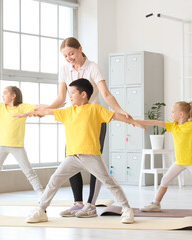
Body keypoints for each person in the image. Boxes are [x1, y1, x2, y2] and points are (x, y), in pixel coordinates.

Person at [15, 79, 145, 223]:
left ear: (83, 94)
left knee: (110, 183)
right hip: (72, 157)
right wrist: (28, 113)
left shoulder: (95, 109)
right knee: (54, 180)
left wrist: (134, 122)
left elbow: (115, 116)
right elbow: (48, 111)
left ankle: (127, 210)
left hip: (91, 156)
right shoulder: (68, 112)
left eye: (72, 93)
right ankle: (41, 210)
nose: (69, 96)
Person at [45, 37, 133, 218]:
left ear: (80, 49)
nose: (69, 58)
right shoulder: (64, 69)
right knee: (71, 157)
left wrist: (120, 111)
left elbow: (106, 94)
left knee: (94, 162)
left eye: (71, 53)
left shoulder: (92, 67)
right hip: (74, 120)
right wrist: (43, 110)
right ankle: (77, 203)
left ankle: (91, 205)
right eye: (65, 55)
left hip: (94, 120)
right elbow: (61, 98)